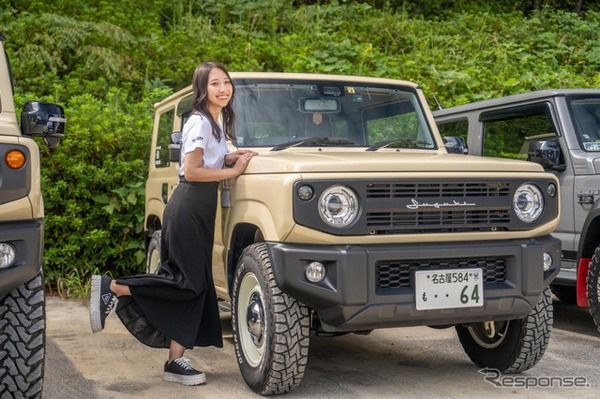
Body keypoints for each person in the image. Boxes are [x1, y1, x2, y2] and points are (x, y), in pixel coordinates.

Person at [89, 61, 257, 386]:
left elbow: (204, 160)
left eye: (226, 82)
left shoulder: (215, 122)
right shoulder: (200, 122)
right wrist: (232, 172)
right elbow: (192, 171)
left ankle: (175, 361)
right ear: (201, 89)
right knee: (185, 283)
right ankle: (113, 287)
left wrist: (228, 158)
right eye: (214, 84)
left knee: (195, 287)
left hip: (197, 209)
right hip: (190, 205)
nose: (223, 89)